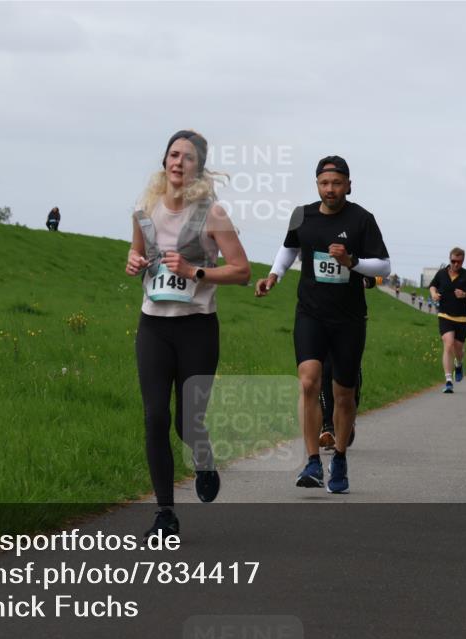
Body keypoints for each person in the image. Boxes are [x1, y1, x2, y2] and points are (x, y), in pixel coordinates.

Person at [125, 130, 251, 540]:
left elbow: (241, 271)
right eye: (174, 154)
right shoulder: (144, 208)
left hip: (197, 327)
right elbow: (138, 252)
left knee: (187, 422)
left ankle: (203, 458)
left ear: (200, 167)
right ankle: (165, 514)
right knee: (155, 417)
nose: (179, 162)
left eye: (189, 157)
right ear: (165, 161)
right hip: (153, 326)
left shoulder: (212, 214)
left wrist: (194, 271)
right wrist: (134, 261)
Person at [255, 155, 390, 494]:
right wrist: (274, 275)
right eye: (324, 183)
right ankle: (313, 462)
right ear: (317, 184)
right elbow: (288, 248)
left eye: (337, 183)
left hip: (348, 319)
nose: (330, 189)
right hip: (310, 313)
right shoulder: (302, 215)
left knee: (344, 395)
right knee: (308, 381)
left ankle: (340, 458)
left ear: (348, 185)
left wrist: (351, 261)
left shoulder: (362, 219)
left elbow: (384, 266)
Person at [319, 276, 376, 449]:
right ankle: (328, 426)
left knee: (348, 373)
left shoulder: (357, 259)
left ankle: (347, 420)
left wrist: (364, 282)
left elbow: (373, 276)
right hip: (322, 317)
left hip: (351, 319)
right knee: (325, 370)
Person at [428, 248, 466, 394]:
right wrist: (433, 294)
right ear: (449, 259)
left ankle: (459, 364)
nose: (456, 264)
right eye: (453, 261)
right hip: (445, 315)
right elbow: (433, 285)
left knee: (458, 348)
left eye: (459, 262)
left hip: (462, 317)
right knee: (448, 344)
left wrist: (465, 294)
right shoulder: (441, 273)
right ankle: (448, 381)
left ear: (463, 261)